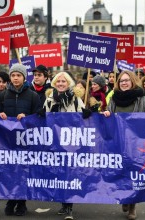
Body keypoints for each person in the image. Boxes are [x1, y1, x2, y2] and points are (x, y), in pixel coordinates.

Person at [102, 70, 145, 220]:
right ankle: (124, 198)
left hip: (136, 144)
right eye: (121, 81)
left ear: (132, 81)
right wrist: (106, 113)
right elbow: (108, 115)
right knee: (121, 174)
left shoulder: (141, 98)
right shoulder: (114, 98)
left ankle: (132, 206)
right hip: (118, 143)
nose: (124, 83)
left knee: (134, 175)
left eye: (126, 80)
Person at [0, 63, 40, 216]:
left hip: (25, 140)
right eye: (13, 75)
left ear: (24, 77)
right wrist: (0, 115)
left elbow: (38, 116)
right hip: (7, 141)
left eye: (18, 75)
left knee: (23, 173)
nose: (15, 78)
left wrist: (27, 118)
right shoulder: (3, 95)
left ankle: (21, 203)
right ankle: (11, 199)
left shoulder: (32, 95)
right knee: (9, 172)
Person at [43, 71, 85, 220]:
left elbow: (82, 119)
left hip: (71, 143)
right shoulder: (49, 99)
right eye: (58, 81)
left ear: (68, 84)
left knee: (69, 173)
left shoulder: (76, 99)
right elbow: (44, 118)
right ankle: (63, 203)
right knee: (59, 173)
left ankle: (69, 206)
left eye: (63, 81)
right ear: (54, 83)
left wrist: (87, 114)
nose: (60, 84)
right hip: (55, 142)